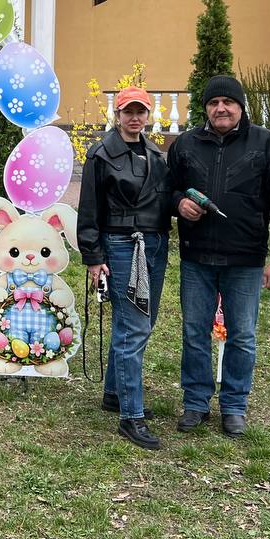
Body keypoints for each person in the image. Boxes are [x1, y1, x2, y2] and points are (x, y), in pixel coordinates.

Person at [167, 74, 270, 437]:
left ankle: (234, 406)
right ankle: (196, 402)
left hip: (245, 259)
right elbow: (167, 189)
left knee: (241, 335)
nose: (221, 108)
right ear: (205, 108)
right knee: (194, 333)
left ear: (241, 106)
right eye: (213, 103)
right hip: (197, 258)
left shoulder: (268, 144)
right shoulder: (185, 144)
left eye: (228, 102)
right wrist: (179, 203)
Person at [78, 87, 171, 451]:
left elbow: (165, 200)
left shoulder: (155, 154)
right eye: (128, 111)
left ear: (148, 115)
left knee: (139, 322)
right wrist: (93, 256)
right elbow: (89, 209)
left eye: (141, 111)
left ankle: (114, 393)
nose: (135, 117)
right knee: (134, 328)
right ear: (117, 115)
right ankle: (131, 416)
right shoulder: (101, 154)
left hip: (155, 244)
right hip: (120, 245)